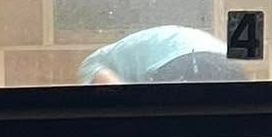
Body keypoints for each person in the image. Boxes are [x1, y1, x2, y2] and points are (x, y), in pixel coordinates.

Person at [79, 25, 246, 84]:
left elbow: (118, 93)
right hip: (224, 57)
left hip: (180, 58)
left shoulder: (91, 63)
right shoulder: (123, 51)